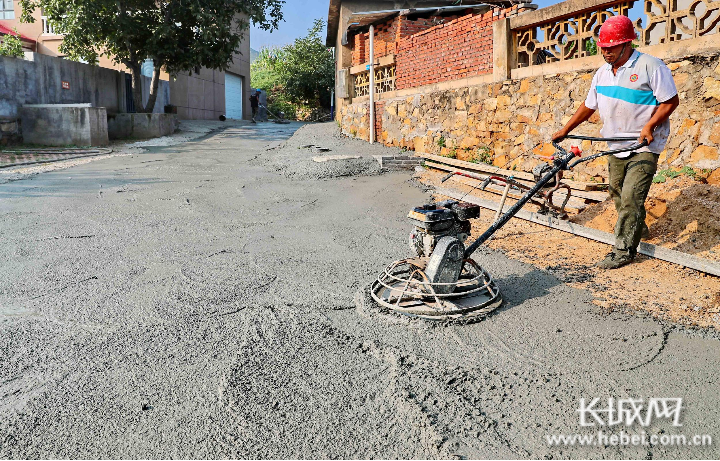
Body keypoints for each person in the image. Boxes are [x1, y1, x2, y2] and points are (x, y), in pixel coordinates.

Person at [552, 15, 679, 269]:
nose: (606, 52)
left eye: (611, 47)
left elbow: (670, 101)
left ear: (627, 44)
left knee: (631, 197)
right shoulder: (601, 74)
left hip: (643, 145)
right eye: (603, 48)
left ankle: (623, 251)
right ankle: (636, 227)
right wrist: (566, 129)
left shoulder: (650, 66)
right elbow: (589, 106)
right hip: (615, 144)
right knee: (617, 192)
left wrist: (649, 125)